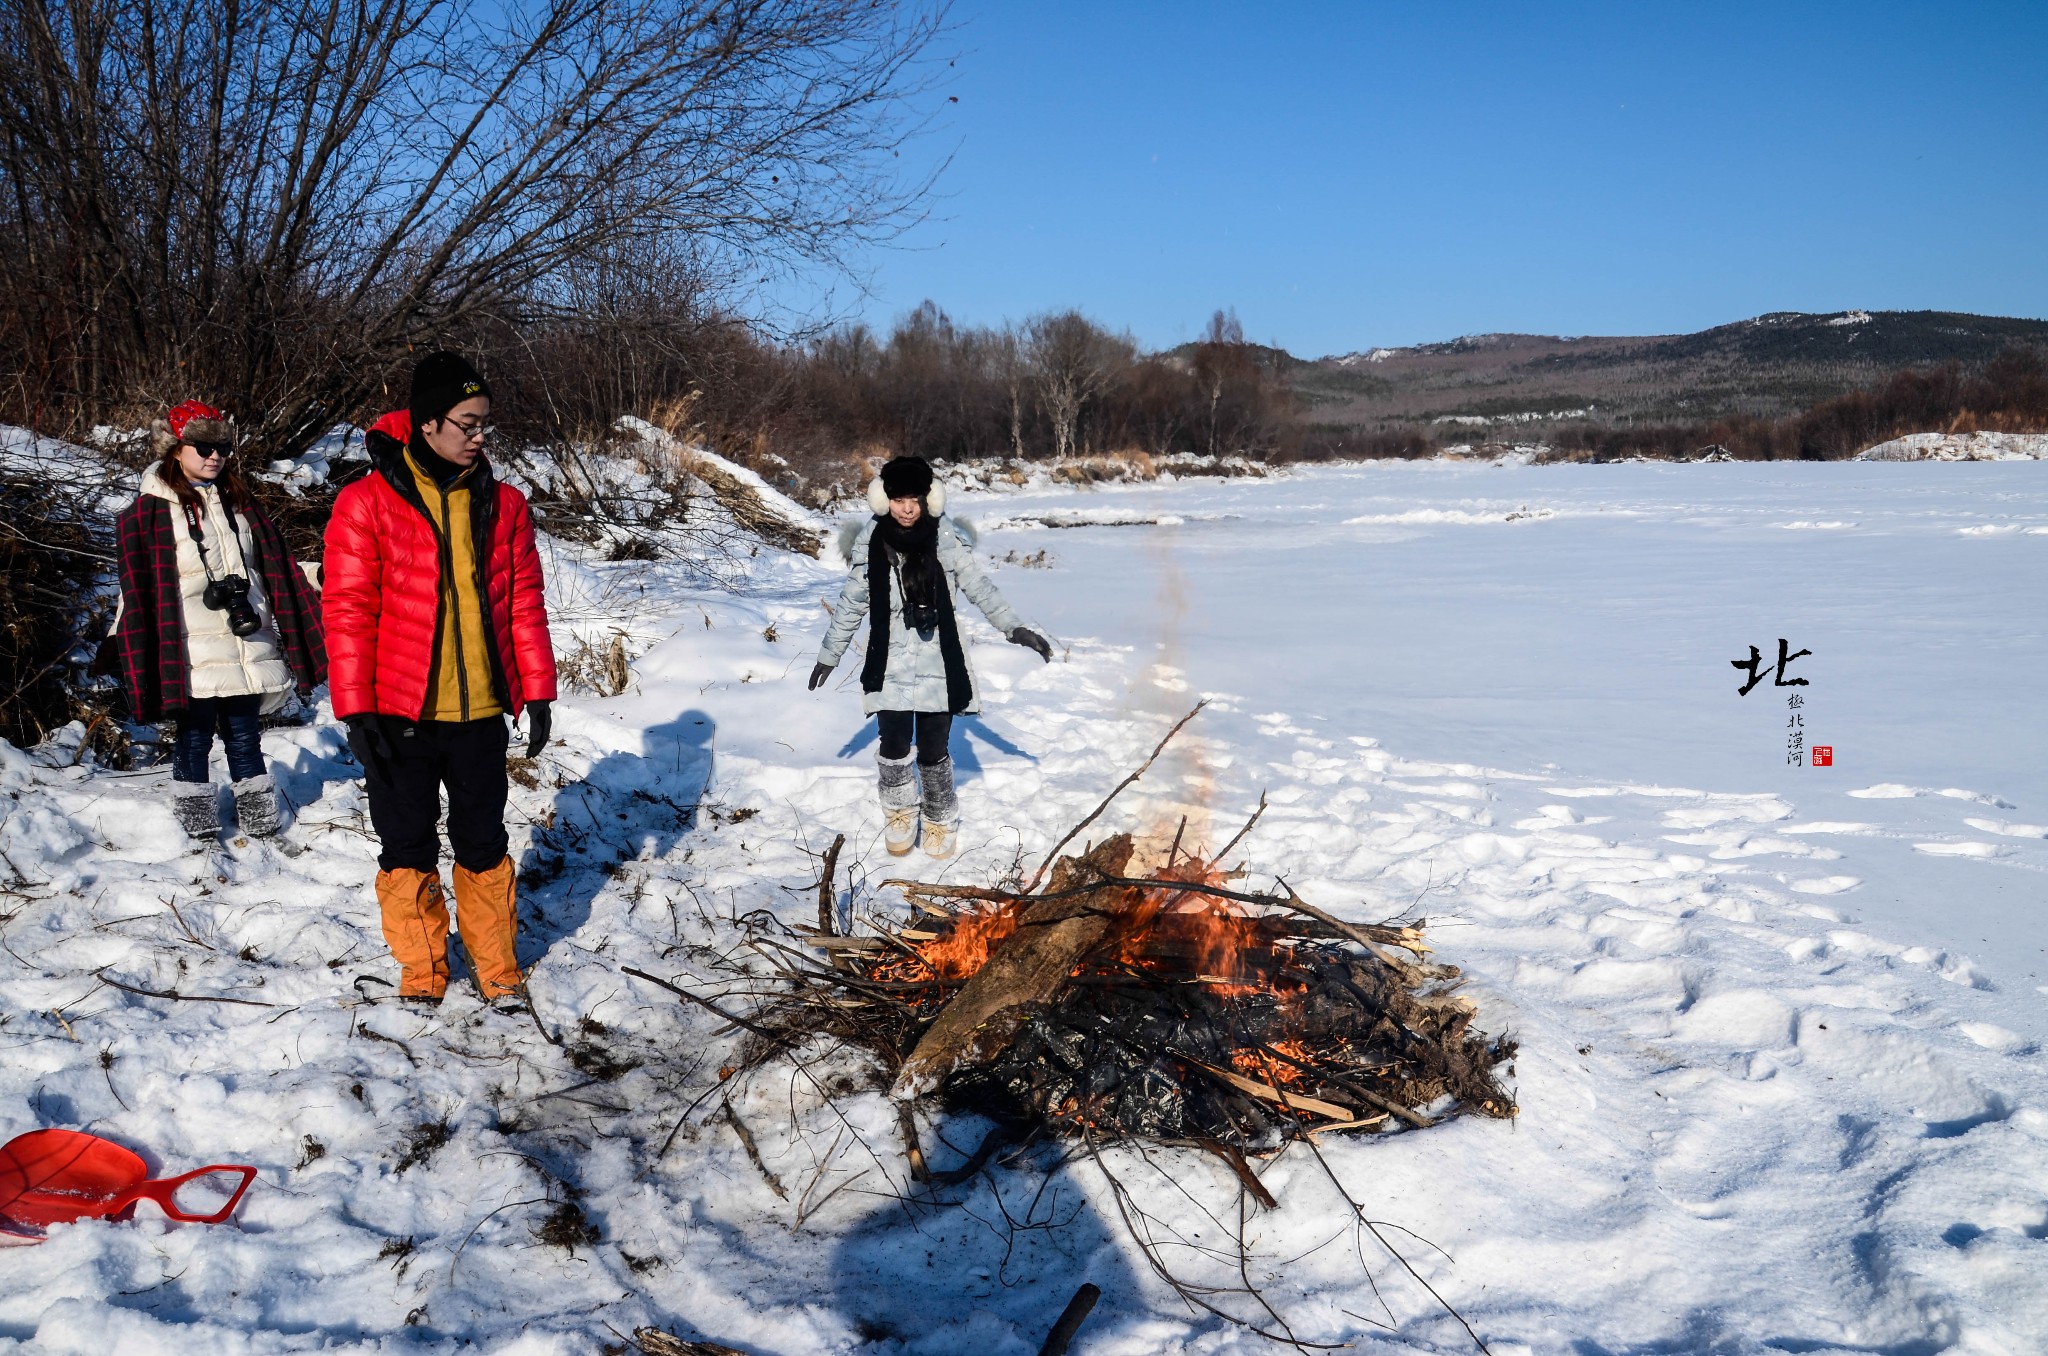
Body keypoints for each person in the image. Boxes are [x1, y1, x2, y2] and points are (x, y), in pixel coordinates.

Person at [322, 352, 557, 1007]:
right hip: (398, 710)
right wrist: (355, 707)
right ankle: (423, 968)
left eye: (486, 424)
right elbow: (346, 608)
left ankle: (497, 967)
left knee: (484, 843)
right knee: (406, 846)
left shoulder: (504, 503)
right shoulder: (365, 502)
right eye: (467, 423)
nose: (480, 436)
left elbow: (524, 602)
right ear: (426, 424)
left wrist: (536, 689)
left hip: (480, 709)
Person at [809, 456, 1052, 859]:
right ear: (884, 500)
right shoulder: (872, 542)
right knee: (893, 747)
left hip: (941, 662)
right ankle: (900, 813)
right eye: (899, 498)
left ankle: (939, 817)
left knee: (934, 750)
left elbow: (978, 586)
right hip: (890, 664)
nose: (908, 508)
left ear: (929, 500)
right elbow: (852, 602)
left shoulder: (944, 538)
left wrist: (1013, 627)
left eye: (915, 499)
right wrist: (829, 655)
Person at [112, 400, 327, 841]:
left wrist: (320, 575)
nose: (215, 456)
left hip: (247, 644)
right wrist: (121, 639)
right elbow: (136, 589)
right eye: (204, 446)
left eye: (224, 448)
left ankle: (261, 823)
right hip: (191, 650)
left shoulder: (241, 505)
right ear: (175, 448)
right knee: (193, 739)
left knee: (245, 737)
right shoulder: (149, 513)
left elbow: (275, 570)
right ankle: (197, 828)